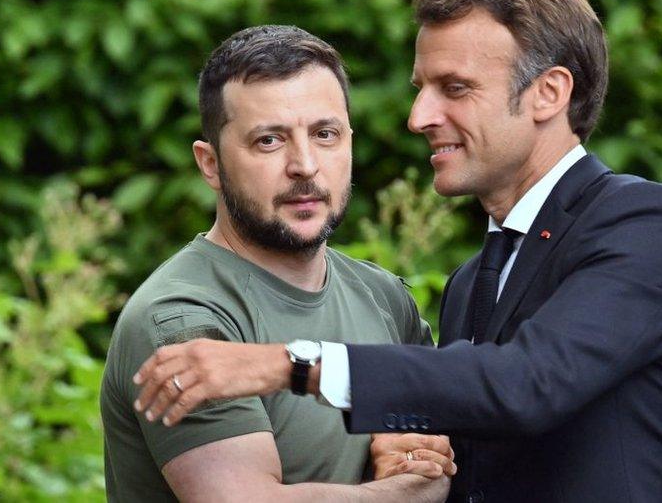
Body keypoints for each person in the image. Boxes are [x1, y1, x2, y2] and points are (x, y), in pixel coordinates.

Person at [134, 0, 662, 502]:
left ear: (549, 93)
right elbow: (465, 440)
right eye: (422, 87)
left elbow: (528, 383)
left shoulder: (641, 223)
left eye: (455, 88)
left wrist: (288, 365)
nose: (419, 117)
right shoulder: (469, 284)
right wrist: (411, 453)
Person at [101, 25, 455, 502]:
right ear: (210, 164)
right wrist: (414, 490)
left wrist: (410, 458)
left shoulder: (384, 296)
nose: (305, 164)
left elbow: (439, 444)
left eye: (325, 134)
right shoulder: (182, 322)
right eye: (269, 141)